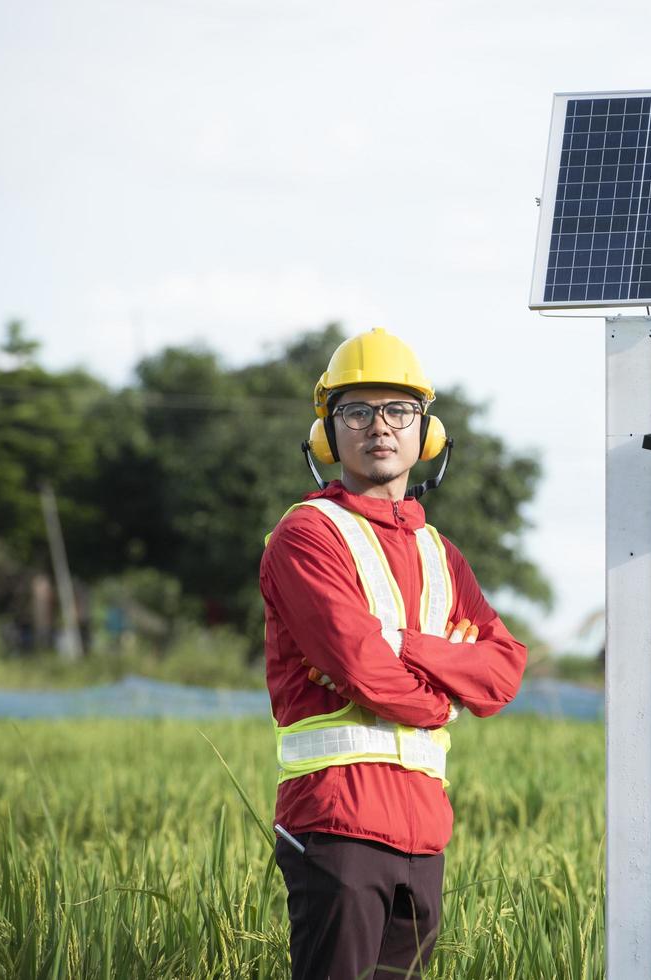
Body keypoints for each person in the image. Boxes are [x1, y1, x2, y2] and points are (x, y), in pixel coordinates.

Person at [261, 327, 528, 980]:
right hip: (337, 822)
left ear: (424, 432)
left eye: (399, 410)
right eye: (358, 410)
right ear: (329, 432)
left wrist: (402, 642)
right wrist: (443, 693)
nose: (379, 426)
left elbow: (502, 672)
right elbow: (360, 668)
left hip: (425, 833)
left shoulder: (441, 554)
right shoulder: (307, 535)